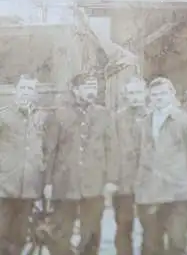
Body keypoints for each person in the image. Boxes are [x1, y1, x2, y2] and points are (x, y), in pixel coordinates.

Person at [44, 73, 119, 255]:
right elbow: (50, 151)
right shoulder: (59, 115)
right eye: (87, 87)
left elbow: (112, 148)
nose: (92, 91)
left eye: (94, 87)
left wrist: (111, 180)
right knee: (60, 234)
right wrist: (47, 183)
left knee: (91, 234)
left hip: (94, 184)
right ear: (75, 90)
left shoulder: (104, 114)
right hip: (65, 183)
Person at [134, 77, 187, 255]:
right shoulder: (143, 122)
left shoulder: (185, 120)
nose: (158, 98)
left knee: (177, 243)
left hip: (177, 193)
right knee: (151, 244)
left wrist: (180, 170)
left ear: (172, 94)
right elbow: (135, 153)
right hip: (149, 193)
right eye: (154, 95)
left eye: (163, 93)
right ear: (149, 97)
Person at [0, 75, 50, 255]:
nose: (25, 94)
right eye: (23, 89)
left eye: (30, 90)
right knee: (3, 231)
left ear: (36, 95)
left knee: (21, 234)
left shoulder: (43, 118)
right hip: (5, 186)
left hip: (30, 187)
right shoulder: (4, 116)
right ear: (15, 92)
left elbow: (48, 149)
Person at [113, 76, 149, 255]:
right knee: (123, 225)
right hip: (124, 182)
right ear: (125, 96)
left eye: (139, 92)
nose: (135, 97)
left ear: (146, 93)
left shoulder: (153, 116)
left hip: (149, 182)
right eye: (131, 93)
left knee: (151, 227)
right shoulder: (117, 119)